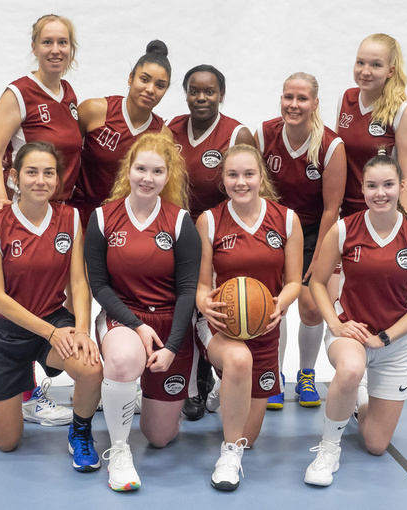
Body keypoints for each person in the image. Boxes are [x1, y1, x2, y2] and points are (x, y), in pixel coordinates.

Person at [304, 151, 407, 486]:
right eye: (372, 186)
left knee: (376, 444)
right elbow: (317, 282)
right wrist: (335, 323)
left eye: (388, 185)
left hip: (395, 343)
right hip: (353, 333)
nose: (380, 193)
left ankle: (358, 401)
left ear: (401, 187)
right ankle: (328, 449)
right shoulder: (344, 229)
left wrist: (385, 338)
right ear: (361, 189)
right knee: (350, 369)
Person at [0, 141, 103, 473]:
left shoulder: (70, 218)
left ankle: (80, 432)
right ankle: (3, 409)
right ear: (15, 177)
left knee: (90, 368)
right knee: (8, 442)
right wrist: (51, 333)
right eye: (31, 172)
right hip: (3, 332)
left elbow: (78, 282)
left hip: (51, 318)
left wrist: (83, 331)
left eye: (49, 173)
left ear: (58, 179)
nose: (40, 180)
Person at [84, 133, 201, 491]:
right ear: (128, 170)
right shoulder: (103, 217)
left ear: (168, 177)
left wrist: (172, 345)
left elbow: (187, 291)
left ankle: (134, 395)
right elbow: (99, 286)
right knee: (121, 361)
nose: (147, 178)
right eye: (141, 169)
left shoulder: (180, 221)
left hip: (170, 322)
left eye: (157, 171)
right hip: (124, 315)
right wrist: (136, 325)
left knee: (160, 437)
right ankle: (119, 451)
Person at [0, 14, 82, 427]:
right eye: (48, 42)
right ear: (35, 46)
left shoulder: (68, 93)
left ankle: (54, 381)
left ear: (72, 49)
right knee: (16, 298)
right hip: (26, 208)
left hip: (60, 214)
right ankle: (25, 394)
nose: (56, 50)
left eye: (63, 42)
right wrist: (1, 199)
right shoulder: (19, 93)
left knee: (54, 296)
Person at [195, 144, 302, 490]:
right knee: (239, 360)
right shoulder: (209, 220)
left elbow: (294, 282)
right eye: (233, 175)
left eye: (248, 174)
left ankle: (225, 389)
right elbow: (201, 285)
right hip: (221, 327)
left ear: (261, 177)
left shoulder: (286, 219)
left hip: (264, 327)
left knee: (249, 438)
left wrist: (279, 304)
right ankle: (228, 454)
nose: (241, 182)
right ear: (223, 179)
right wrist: (204, 304)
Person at [167, 64, 256, 421]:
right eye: (194, 90)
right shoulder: (170, 129)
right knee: (182, 305)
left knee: (213, 305)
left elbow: (250, 186)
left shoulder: (236, 133)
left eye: (209, 91)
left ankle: (215, 377)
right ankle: (189, 386)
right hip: (176, 232)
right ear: (186, 93)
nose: (201, 97)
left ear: (221, 94)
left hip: (220, 232)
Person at [255, 72, 346, 409]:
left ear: (315, 103)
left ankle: (306, 373)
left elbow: (331, 208)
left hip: (312, 231)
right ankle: (274, 376)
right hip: (274, 229)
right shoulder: (264, 135)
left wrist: (319, 256)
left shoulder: (330, 145)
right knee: (273, 304)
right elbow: (254, 191)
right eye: (288, 97)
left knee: (310, 306)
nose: (293, 105)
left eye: (302, 99)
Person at [71, 40, 174, 230]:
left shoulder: (162, 134)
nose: (150, 89)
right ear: (130, 78)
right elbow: (64, 154)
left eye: (160, 85)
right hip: (81, 216)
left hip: (125, 224)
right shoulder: (94, 111)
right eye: (144, 79)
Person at [336, 33, 407, 220]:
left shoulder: (401, 110)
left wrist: (402, 226)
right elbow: (338, 161)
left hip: (387, 213)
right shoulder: (346, 99)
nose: (365, 71)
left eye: (376, 65)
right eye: (360, 62)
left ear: (391, 71)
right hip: (351, 213)